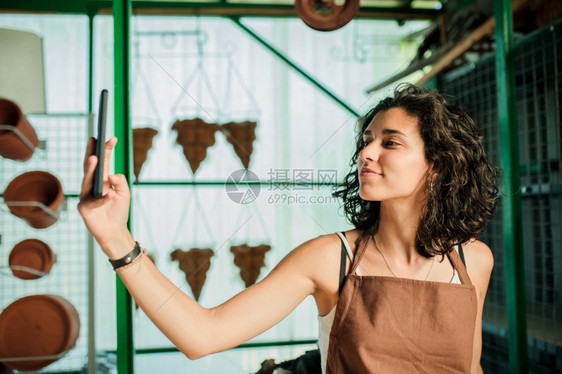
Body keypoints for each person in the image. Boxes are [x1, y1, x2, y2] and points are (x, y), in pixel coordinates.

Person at [78, 83, 499, 373]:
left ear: (438, 167)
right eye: (366, 140)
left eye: (389, 142)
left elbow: (470, 366)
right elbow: (201, 335)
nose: (365, 153)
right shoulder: (328, 258)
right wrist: (115, 236)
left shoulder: (474, 260)